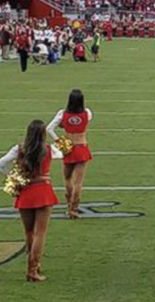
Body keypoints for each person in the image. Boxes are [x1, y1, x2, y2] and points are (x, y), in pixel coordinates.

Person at [0, 120, 63, 282]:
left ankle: (33, 267)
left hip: (25, 192)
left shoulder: (18, 149)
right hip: (43, 191)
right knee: (40, 233)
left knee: (29, 232)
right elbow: (61, 154)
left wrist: (12, 178)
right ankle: (33, 269)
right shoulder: (48, 149)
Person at [47, 89, 93, 219]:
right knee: (78, 182)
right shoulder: (87, 113)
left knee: (67, 178)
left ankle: (69, 204)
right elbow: (83, 122)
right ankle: (74, 209)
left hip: (68, 148)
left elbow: (49, 129)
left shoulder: (62, 114)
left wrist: (60, 142)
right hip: (82, 147)